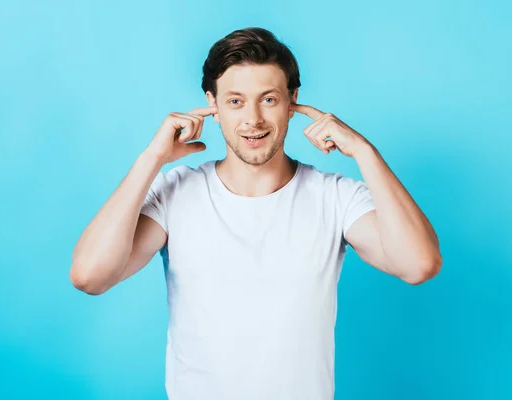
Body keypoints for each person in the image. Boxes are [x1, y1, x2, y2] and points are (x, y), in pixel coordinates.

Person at [70, 27, 442, 400]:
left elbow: (418, 264)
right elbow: (90, 276)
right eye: (235, 101)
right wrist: (151, 161)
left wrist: (364, 152)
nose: (253, 119)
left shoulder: (335, 198)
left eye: (268, 99)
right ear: (211, 104)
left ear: (292, 100)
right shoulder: (176, 193)